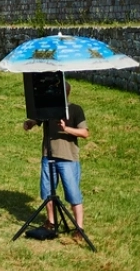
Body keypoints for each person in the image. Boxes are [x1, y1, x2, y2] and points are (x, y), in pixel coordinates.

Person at [22, 82, 89, 231]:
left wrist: (66, 129)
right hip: (48, 156)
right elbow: (37, 120)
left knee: (73, 194)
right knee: (47, 192)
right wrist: (30, 123)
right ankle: (51, 222)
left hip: (68, 159)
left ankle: (79, 228)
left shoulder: (76, 110)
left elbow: (85, 133)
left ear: (64, 93)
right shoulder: (48, 109)